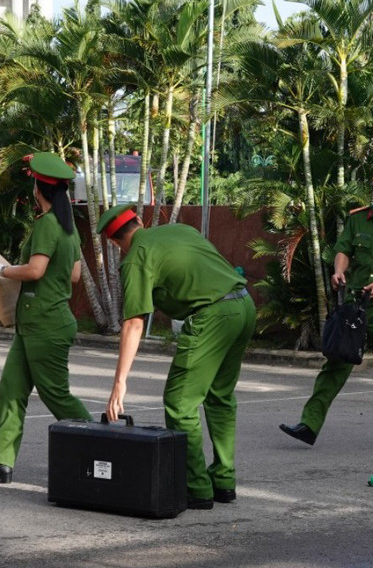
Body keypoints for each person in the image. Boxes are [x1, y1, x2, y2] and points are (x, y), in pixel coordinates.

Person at [99, 203, 257, 510]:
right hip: (244, 306)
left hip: (212, 316)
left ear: (114, 242)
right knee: (219, 397)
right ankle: (224, 480)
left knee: (180, 402)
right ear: (139, 223)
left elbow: (133, 322)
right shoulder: (179, 230)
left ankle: (197, 487)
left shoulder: (136, 257)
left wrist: (119, 383)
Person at [279, 162, 373, 452]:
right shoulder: (358, 219)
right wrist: (338, 271)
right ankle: (309, 425)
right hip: (355, 305)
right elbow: (343, 250)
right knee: (335, 363)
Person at [0, 153, 91, 484]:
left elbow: (35, 270)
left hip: (46, 324)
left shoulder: (48, 225)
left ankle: (102, 445)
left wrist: (0, 269)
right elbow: (74, 276)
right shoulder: (68, 228)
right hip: (36, 322)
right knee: (11, 391)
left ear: (39, 189)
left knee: (56, 396)